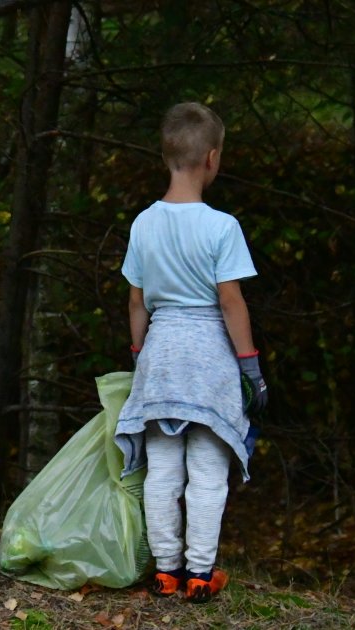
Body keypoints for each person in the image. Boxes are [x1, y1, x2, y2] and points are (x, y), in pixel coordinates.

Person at [113, 102, 268, 603]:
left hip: (161, 353)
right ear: (213, 159)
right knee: (206, 470)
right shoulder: (222, 228)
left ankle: (165, 571)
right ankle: (200, 573)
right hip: (209, 361)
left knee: (162, 469)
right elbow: (230, 302)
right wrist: (251, 369)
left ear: (166, 158)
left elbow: (136, 300)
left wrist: (141, 352)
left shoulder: (142, 225)